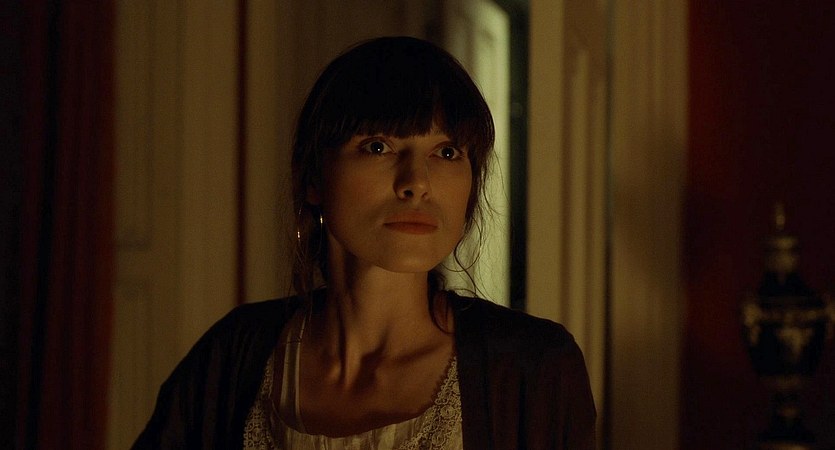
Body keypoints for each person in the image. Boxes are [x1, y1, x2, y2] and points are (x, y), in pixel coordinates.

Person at [133, 36, 595, 450]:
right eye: (378, 146)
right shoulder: (232, 358)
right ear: (313, 177)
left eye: (447, 152)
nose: (417, 183)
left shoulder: (533, 370)